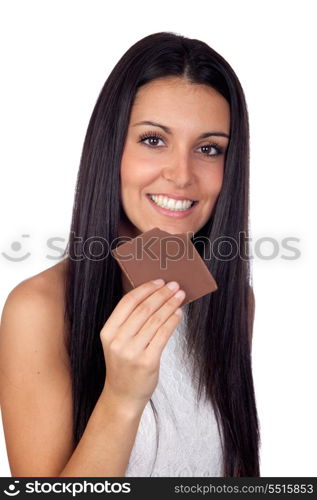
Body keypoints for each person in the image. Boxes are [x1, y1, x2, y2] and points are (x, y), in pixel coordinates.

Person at [0, 31, 260, 477]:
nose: (182, 175)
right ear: (112, 148)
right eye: (154, 140)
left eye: (209, 148)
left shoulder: (233, 302)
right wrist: (122, 398)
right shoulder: (38, 309)